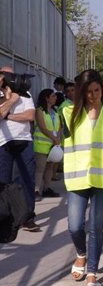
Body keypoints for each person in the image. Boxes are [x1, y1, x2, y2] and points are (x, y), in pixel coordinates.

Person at [62, 69, 103, 286]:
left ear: (102, 89)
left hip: (102, 176)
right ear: (81, 92)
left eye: (97, 90)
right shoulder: (68, 113)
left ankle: (92, 272)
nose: (93, 95)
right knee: (74, 225)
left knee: (95, 227)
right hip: (77, 175)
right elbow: (66, 141)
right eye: (88, 92)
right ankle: (81, 254)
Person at [0, 67, 38, 232]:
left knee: (26, 180)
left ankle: (27, 217)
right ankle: (5, 217)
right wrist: (11, 100)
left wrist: (8, 115)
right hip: (3, 143)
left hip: (24, 142)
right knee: (3, 182)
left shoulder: (25, 94)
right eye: (5, 75)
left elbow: (30, 116)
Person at [33, 89, 62, 198]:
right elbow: (42, 127)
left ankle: (46, 188)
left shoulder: (55, 111)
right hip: (41, 144)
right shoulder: (40, 110)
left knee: (50, 167)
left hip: (53, 144)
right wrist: (54, 138)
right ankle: (36, 190)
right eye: (53, 96)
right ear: (46, 98)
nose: (56, 98)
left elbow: (59, 126)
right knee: (40, 168)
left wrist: (57, 137)